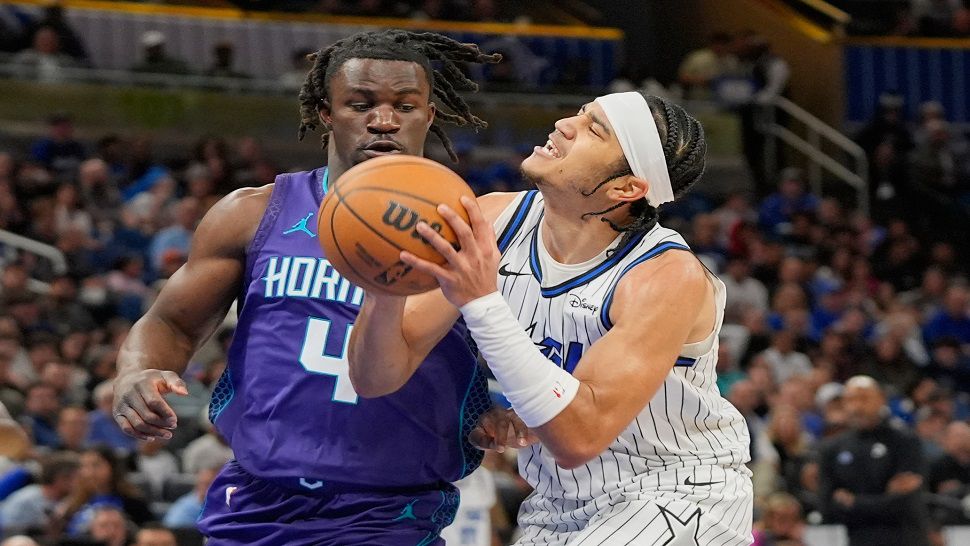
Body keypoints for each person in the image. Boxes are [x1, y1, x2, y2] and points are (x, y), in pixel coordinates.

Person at [111, 29, 501, 545]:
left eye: (405, 106)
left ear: (429, 116)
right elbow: (171, 323)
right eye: (361, 104)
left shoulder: (478, 230)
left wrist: (512, 409)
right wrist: (137, 371)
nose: (384, 121)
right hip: (257, 501)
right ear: (325, 112)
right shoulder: (252, 213)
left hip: (393, 510)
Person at [349, 91, 753, 544]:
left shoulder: (666, 276)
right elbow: (375, 376)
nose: (564, 124)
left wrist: (482, 302)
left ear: (626, 189)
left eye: (594, 129)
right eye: (581, 113)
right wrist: (385, 286)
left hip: (675, 493)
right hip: (554, 502)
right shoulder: (493, 218)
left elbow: (579, 437)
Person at [817, 375, 929, 546]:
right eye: (850, 400)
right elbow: (827, 508)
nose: (857, 407)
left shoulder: (905, 441)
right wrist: (884, 498)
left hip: (903, 538)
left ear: (881, 400)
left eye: (864, 398)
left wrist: (853, 502)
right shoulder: (831, 449)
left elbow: (904, 503)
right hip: (856, 540)